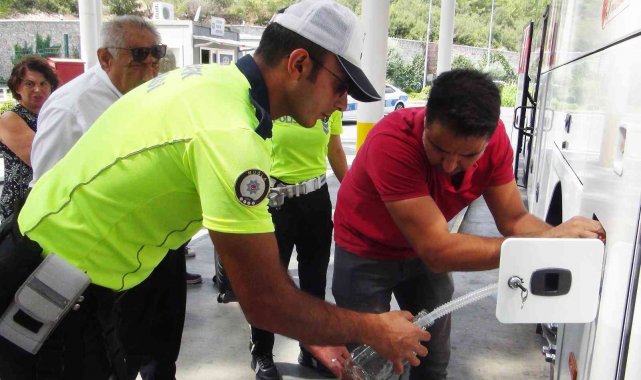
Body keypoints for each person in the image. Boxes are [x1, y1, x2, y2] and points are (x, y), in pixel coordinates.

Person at [0, 1, 430, 379]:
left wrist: (311, 328)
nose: (341, 104)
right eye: (341, 86)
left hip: (66, 277)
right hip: (50, 298)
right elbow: (263, 300)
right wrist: (375, 329)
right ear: (299, 64)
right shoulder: (231, 133)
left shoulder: (213, 83)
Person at [331, 69, 605, 380]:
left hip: (421, 251)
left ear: (488, 141)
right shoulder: (393, 142)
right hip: (365, 250)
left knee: (432, 359)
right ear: (426, 119)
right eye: (438, 148)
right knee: (369, 363)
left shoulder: (496, 142)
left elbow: (514, 219)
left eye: (468, 155)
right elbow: (437, 251)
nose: (450, 165)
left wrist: (562, 239)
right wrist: (545, 244)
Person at [30, 15, 196, 379]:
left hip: (160, 248)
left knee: (163, 351)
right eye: (138, 56)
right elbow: (47, 191)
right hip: (106, 263)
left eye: (156, 55)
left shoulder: (154, 96)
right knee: (116, 358)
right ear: (105, 58)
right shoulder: (71, 108)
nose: (150, 66)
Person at [249, 110, 348, 380]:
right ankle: (262, 351)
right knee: (268, 279)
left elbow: (335, 148)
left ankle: (311, 347)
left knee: (314, 280)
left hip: (316, 198)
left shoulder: (331, 101)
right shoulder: (275, 97)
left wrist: (353, 192)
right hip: (274, 200)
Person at [0, 56, 58, 221]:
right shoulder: (10, 119)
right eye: (29, 84)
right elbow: (41, 158)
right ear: (18, 87)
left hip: (49, 201)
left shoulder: (51, 115)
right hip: (22, 205)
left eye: (43, 83)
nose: (38, 90)